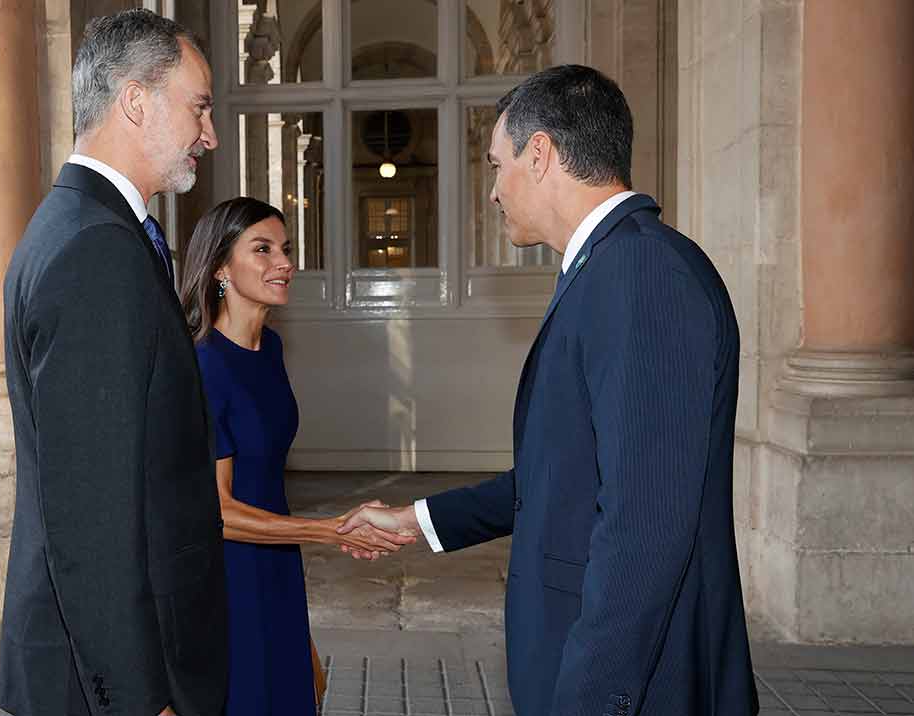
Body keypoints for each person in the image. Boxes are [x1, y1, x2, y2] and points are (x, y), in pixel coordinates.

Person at [340, 65, 759, 716]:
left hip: (638, 686)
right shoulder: (608, 267)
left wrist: (590, 700)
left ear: (540, 155)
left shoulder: (642, 275)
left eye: (495, 163)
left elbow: (643, 527)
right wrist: (416, 522)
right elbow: (563, 476)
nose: (492, 192)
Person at [0, 11, 226, 716]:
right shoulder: (95, 250)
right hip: (110, 680)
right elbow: (94, 514)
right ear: (135, 100)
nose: (208, 134)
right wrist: (137, 700)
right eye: (199, 107)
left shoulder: (83, 226)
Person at [178, 197, 414, 716]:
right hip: (228, 581)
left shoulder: (271, 350)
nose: (283, 263)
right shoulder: (204, 367)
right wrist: (331, 529)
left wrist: (300, 633)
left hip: (277, 565)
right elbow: (217, 512)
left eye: (284, 249)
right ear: (220, 267)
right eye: (261, 250)